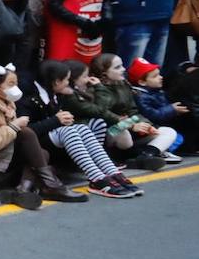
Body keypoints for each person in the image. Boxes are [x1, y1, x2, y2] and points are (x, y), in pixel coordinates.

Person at [0, 65, 86, 209]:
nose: (16, 88)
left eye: (16, 83)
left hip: (0, 152)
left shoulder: (7, 102)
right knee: (26, 133)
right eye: (10, 84)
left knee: (42, 152)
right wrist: (14, 126)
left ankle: (22, 191)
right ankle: (51, 186)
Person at [24, 61, 139, 198]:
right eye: (66, 80)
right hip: (37, 147)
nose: (68, 83)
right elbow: (26, 131)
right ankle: (96, 178)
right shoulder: (30, 99)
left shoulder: (56, 93)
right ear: (55, 82)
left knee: (87, 126)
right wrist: (55, 120)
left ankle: (112, 172)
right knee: (70, 130)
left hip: (58, 140)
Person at [90, 53, 181, 166]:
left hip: (130, 127)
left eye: (122, 65)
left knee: (168, 132)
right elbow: (102, 113)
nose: (123, 69)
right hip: (111, 131)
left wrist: (145, 125)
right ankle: (118, 158)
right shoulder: (96, 89)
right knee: (122, 132)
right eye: (117, 67)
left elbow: (133, 111)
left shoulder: (123, 84)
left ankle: (146, 156)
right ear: (104, 74)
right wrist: (131, 125)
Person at [131, 56, 198, 155]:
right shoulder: (141, 97)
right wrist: (171, 109)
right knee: (178, 138)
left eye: (159, 74)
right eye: (155, 76)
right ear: (142, 82)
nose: (161, 77)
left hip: (166, 123)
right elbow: (152, 115)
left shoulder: (156, 91)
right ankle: (157, 152)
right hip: (152, 127)